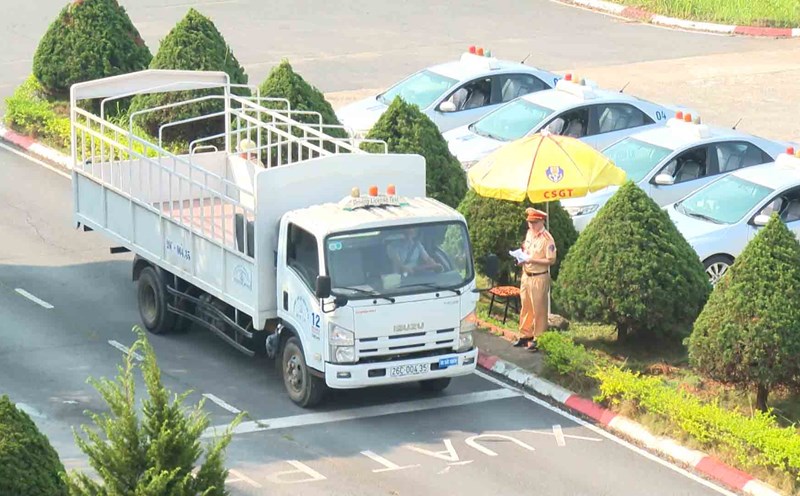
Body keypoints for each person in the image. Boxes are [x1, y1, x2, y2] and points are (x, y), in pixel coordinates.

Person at [514, 207, 557, 351]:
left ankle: (538, 338)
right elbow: (526, 250)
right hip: (526, 275)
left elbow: (551, 260)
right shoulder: (529, 234)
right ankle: (525, 335)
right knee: (525, 306)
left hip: (539, 277)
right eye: (529, 222)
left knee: (539, 309)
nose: (531, 225)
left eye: (534, 223)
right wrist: (521, 258)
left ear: (541, 221)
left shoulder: (547, 239)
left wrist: (533, 260)